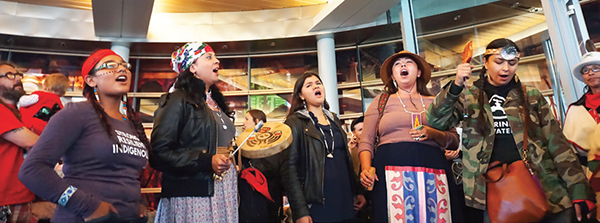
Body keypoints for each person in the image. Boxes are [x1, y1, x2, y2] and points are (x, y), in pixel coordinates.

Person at [426, 38, 596, 222]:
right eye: (499, 62)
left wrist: (579, 190)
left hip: (543, 184)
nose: (506, 68)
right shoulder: (470, 96)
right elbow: (435, 121)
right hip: (490, 188)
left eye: (512, 63)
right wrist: (456, 84)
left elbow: (557, 144)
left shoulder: (530, 96)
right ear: (485, 62)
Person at [18, 49, 150, 223]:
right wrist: (87, 206)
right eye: (110, 65)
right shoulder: (78, 113)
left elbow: (126, 172)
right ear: (91, 80)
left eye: (125, 66)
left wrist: (139, 202)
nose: (122, 69)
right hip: (80, 218)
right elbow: (31, 170)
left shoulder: (131, 122)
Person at [358, 51, 460, 223]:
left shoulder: (435, 102)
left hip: (433, 168)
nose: (403, 65)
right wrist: (366, 168)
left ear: (419, 72)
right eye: (398, 64)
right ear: (392, 76)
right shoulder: (381, 101)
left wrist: (433, 133)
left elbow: (454, 140)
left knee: (437, 216)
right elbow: (366, 140)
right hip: (389, 170)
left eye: (408, 62)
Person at [150, 42, 238, 223]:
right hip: (193, 192)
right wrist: (206, 161)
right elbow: (159, 153)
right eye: (209, 57)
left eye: (215, 56)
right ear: (192, 67)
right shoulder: (177, 99)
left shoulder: (216, 102)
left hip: (223, 187)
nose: (217, 61)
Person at [283, 72, 366, 223]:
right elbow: (290, 169)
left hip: (346, 201)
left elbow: (344, 158)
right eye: (309, 85)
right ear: (301, 96)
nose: (316, 86)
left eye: (318, 83)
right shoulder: (294, 122)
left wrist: (358, 191)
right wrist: (300, 211)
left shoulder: (334, 119)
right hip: (318, 206)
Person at [0, 62, 37, 223]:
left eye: (18, 75)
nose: (17, 79)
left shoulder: (17, 112)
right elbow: (32, 142)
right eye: (9, 75)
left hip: (19, 196)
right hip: (5, 200)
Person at [563, 52, 600, 204]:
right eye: (586, 70)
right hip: (591, 175)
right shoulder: (575, 109)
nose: (590, 73)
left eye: (596, 68)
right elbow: (571, 154)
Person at [238, 109, 286, 222]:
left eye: (247, 119)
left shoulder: (271, 145)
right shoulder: (242, 144)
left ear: (258, 122)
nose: (243, 123)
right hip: (250, 201)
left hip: (268, 199)